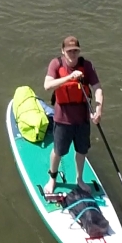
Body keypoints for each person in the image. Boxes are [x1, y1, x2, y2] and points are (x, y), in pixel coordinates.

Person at [41, 36, 103, 197]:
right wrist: (69, 77)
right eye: (69, 51)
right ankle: (52, 178)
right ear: (63, 51)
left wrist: (98, 109)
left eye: (75, 51)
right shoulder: (56, 64)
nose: (72, 54)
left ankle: (80, 179)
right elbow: (47, 85)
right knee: (58, 151)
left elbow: (97, 88)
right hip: (62, 119)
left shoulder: (86, 66)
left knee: (82, 150)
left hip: (82, 119)